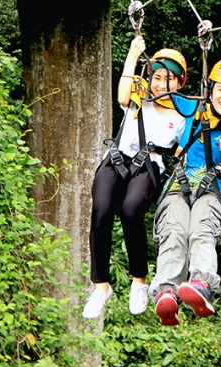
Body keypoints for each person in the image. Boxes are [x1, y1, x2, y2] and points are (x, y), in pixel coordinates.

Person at [83, 36, 196, 319]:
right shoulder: (138, 95)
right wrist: (133, 55)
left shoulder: (184, 112)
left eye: (169, 79)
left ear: (179, 83)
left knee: (131, 210)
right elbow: (121, 96)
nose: (161, 84)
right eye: (157, 77)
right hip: (118, 158)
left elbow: (189, 141)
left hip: (149, 166)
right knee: (101, 211)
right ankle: (101, 286)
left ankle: (138, 281)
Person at [151, 59, 221, 326]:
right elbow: (164, 90)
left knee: (201, 230)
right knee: (173, 232)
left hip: (211, 190)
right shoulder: (192, 108)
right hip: (178, 184)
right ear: (210, 89)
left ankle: (201, 283)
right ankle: (166, 291)